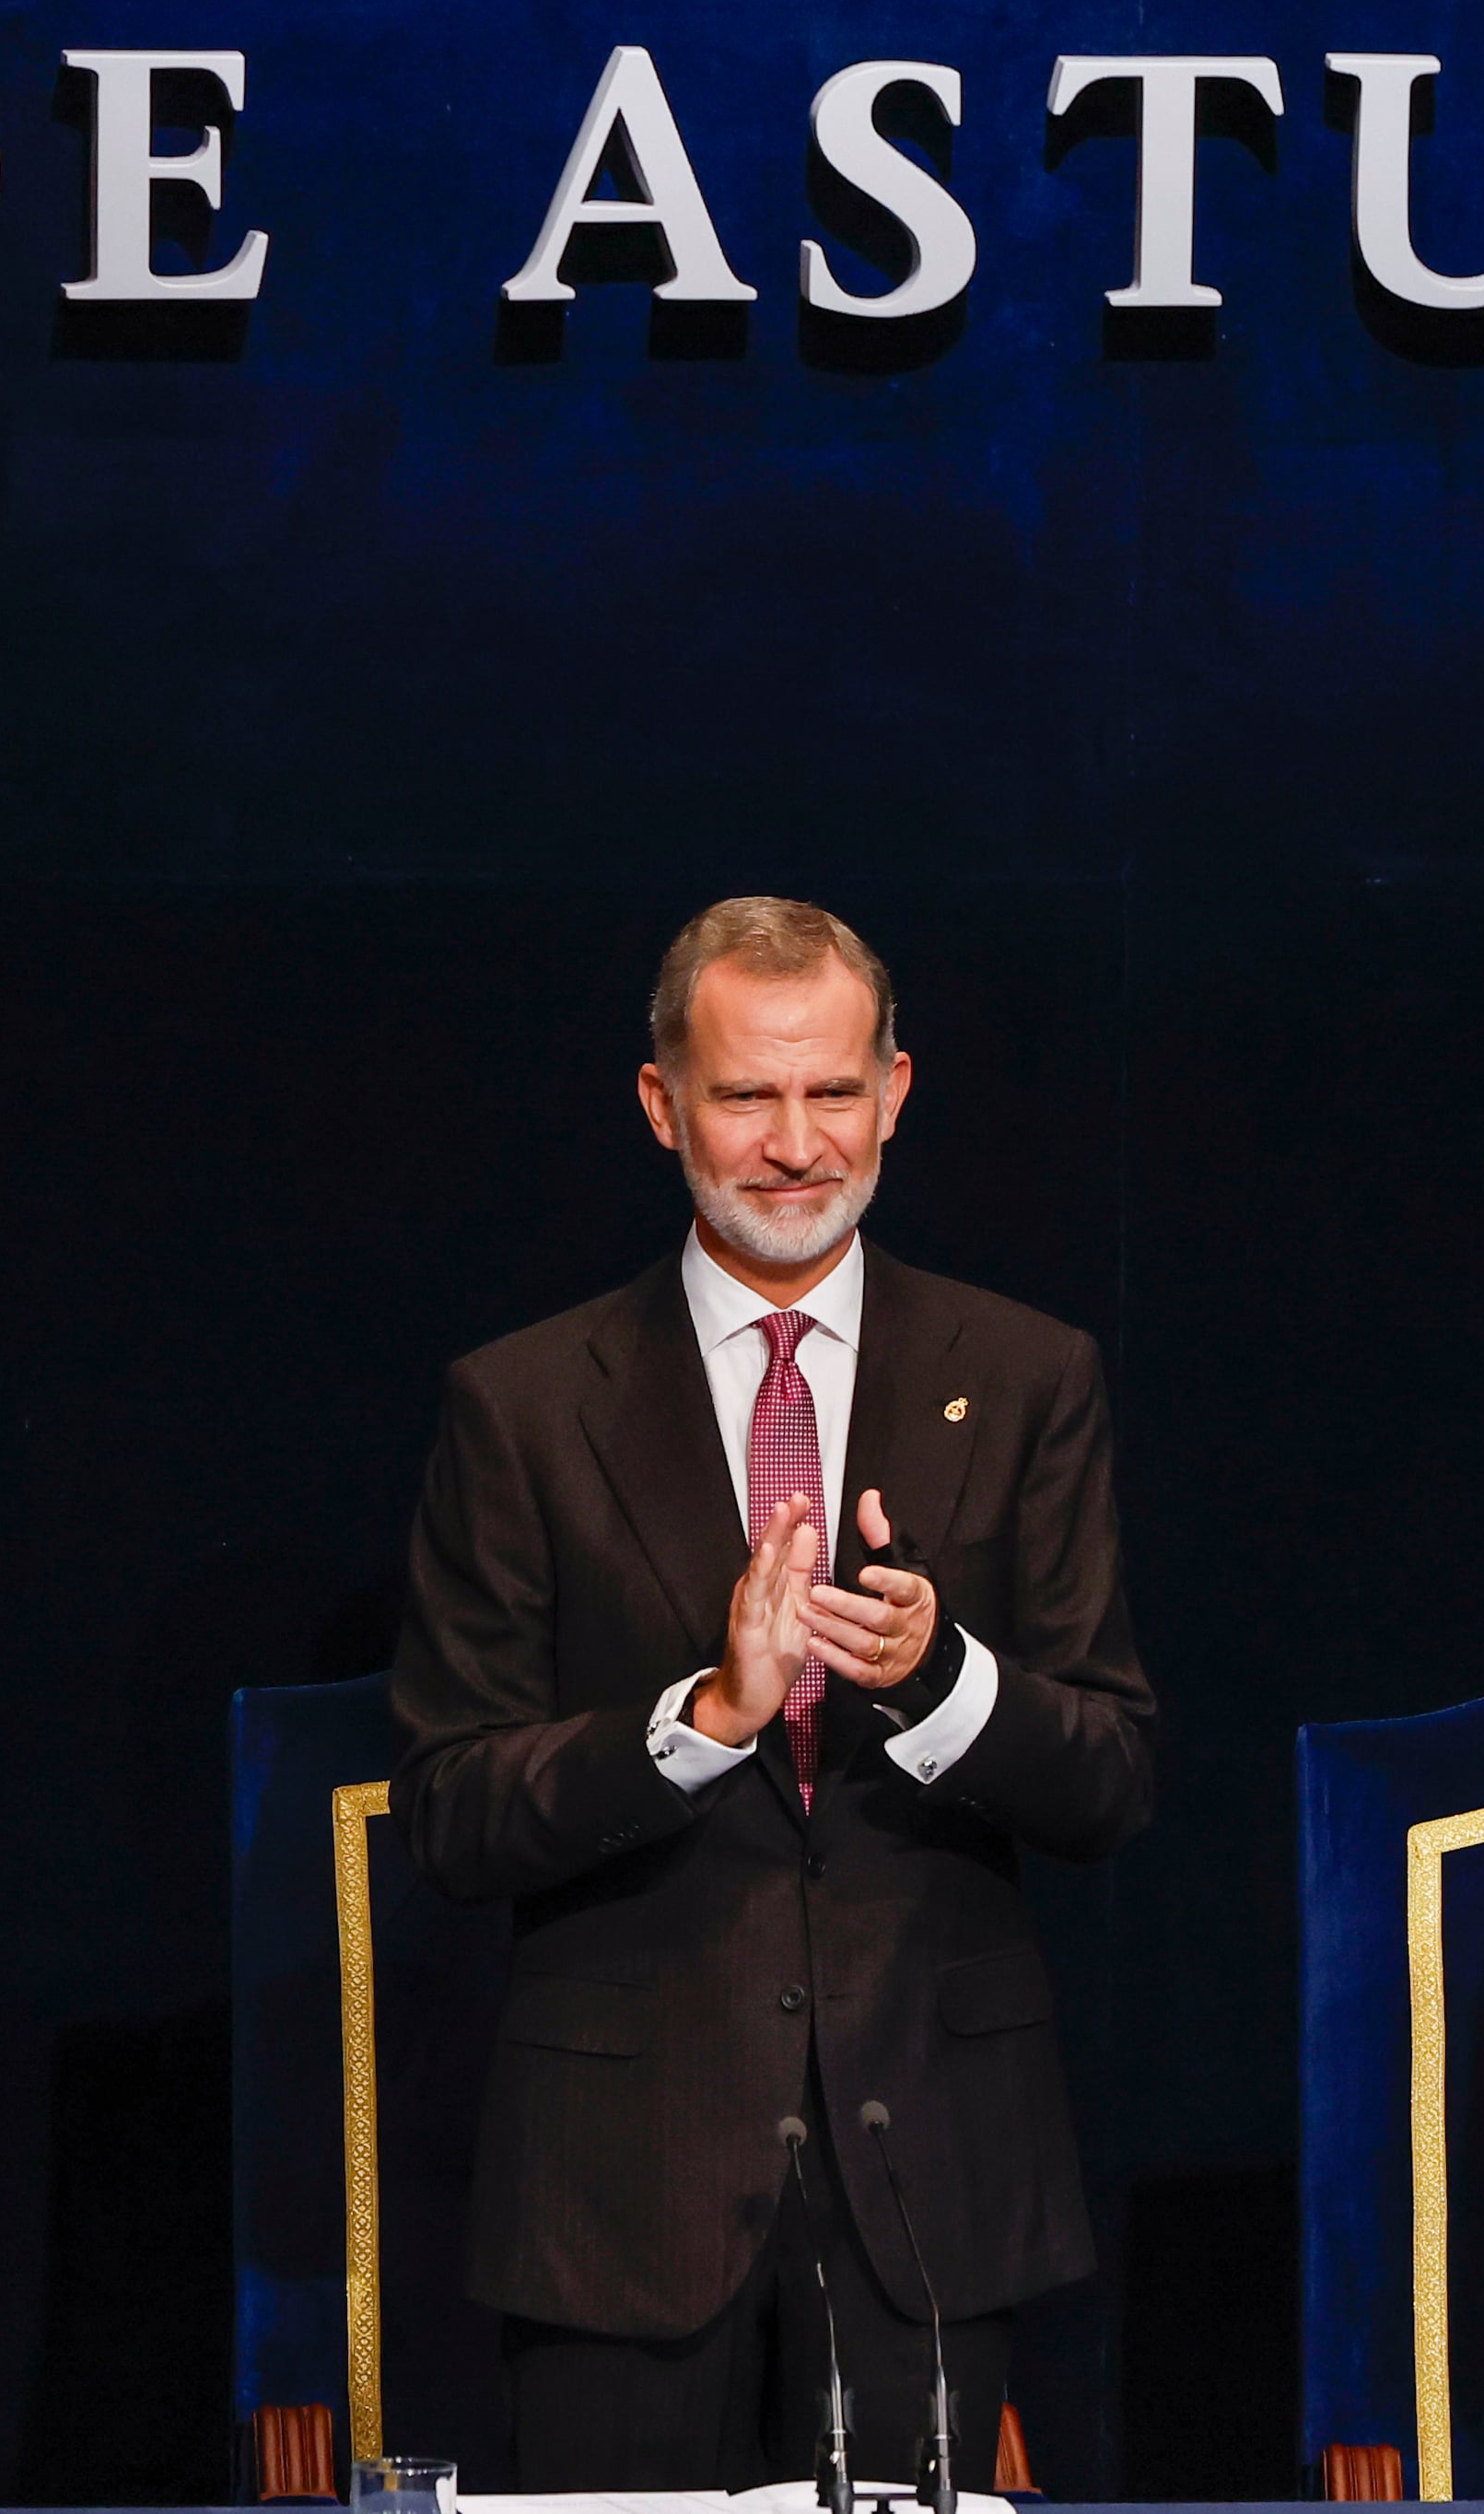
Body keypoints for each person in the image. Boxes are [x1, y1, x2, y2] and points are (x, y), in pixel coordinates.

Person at [393, 896, 1157, 2489]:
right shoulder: (524, 1401)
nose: (796, 1142)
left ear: (894, 1089)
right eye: (747, 1095)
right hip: (618, 2187)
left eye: (831, 1092)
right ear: (664, 1103)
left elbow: (1109, 1778)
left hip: (928, 2175)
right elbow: (456, 1809)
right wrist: (700, 1723)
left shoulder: (1026, 1375)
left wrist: (941, 1681)